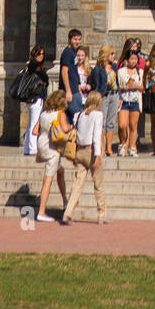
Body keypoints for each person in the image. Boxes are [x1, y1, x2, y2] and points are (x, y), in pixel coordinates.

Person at [62, 91, 107, 225]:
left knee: (77, 184)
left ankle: (68, 212)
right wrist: (97, 154)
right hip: (91, 150)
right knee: (98, 184)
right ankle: (101, 214)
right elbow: (96, 135)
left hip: (79, 151)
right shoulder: (98, 115)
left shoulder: (78, 115)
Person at [33, 90, 69, 222]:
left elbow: (35, 131)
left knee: (60, 171)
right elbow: (65, 129)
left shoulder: (44, 113)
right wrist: (70, 127)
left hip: (42, 144)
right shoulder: (60, 113)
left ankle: (65, 200)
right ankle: (41, 211)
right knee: (47, 180)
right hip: (52, 147)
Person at [21, 45, 50, 156]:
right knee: (34, 122)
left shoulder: (36, 66)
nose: (41, 56)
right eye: (39, 54)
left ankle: (28, 148)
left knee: (31, 122)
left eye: (43, 54)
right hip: (35, 97)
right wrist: (44, 76)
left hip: (35, 98)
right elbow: (44, 77)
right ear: (34, 54)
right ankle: (32, 148)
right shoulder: (34, 65)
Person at [91, 46, 119, 157]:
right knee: (101, 123)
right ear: (105, 54)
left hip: (114, 95)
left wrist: (120, 96)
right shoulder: (98, 68)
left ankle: (109, 148)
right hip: (104, 96)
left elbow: (116, 82)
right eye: (111, 54)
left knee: (111, 122)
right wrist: (98, 97)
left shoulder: (114, 67)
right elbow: (96, 84)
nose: (113, 56)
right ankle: (101, 148)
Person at [117, 47, 143, 156]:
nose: (134, 61)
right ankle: (123, 143)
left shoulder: (140, 72)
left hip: (135, 101)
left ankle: (132, 147)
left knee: (133, 125)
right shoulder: (121, 72)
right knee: (122, 125)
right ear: (127, 60)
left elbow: (143, 87)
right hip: (124, 100)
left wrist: (136, 86)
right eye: (131, 59)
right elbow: (117, 86)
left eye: (135, 59)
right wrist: (125, 87)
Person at [59, 29, 84, 116]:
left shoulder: (73, 52)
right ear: (69, 39)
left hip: (75, 89)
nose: (77, 42)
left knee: (71, 119)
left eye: (79, 39)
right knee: (78, 117)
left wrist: (78, 86)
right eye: (75, 39)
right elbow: (64, 71)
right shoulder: (67, 53)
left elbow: (73, 72)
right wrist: (68, 91)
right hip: (71, 91)